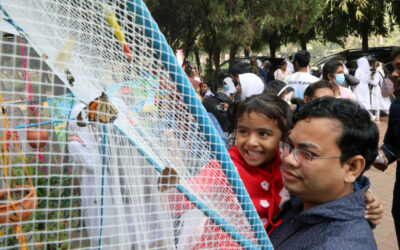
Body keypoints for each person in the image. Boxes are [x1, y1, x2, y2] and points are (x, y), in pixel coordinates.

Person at [270, 97, 379, 249]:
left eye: (307, 153)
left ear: (352, 167)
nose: (289, 159)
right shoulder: (300, 196)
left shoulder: (340, 244)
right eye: (290, 145)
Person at [372, 47, 400, 248]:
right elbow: (391, 146)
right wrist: (369, 157)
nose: (395, 74)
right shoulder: (397, 106)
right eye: (395, 67)